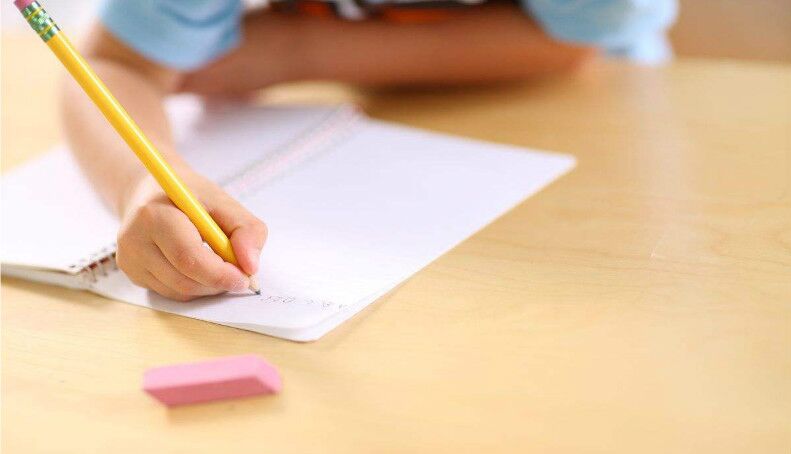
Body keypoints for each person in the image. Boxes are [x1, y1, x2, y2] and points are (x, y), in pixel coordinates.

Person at [63, 0, 677, 301]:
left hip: (602, 141)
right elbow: (115, 65)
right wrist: (143, 182)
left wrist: (299, 49)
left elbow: (570, 42)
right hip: (338, 145)